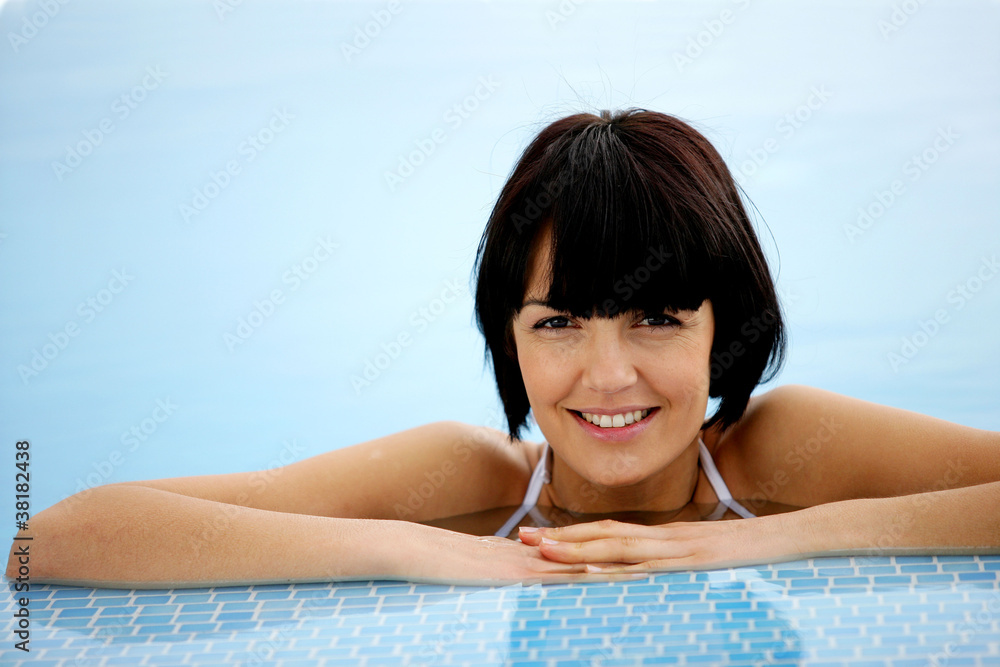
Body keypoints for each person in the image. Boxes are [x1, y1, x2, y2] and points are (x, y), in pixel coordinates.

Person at [6, 109, 999, 589]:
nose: (608, 375)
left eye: (656, 318)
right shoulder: (467, 479)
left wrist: (774, 534)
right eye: (558, 323)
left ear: (723, 322)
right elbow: (45, 539)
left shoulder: (777, 457)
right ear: (508, 339)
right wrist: (408, 544)